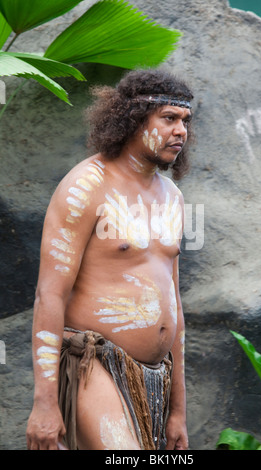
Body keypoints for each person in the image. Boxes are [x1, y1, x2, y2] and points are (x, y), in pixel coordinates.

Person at [26, 68, 194, 450]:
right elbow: (49, 295)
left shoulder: (173, 197)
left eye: (185, 121)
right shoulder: (86, 186)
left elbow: (175, 303)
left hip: (156, 377)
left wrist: (179, 410)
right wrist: (45, 403)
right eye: (169, 118)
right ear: (133, 120)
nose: (181, 131)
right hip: (93, 364)